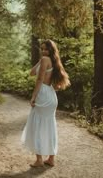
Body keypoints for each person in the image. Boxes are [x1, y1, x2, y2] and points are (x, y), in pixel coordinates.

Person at [21, 39, 70, 167]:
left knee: (37, 125)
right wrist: (41, 59)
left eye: (46, 49)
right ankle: (51, 158)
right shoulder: (53, 61)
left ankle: (39, 160)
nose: (43, 51)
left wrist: (33, 97)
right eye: (42, 49)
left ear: (51, 50)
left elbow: (39, 79)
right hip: (51, 95)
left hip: (42, 94)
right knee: (49, 126)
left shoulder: (45, 60)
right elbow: (32, 72)